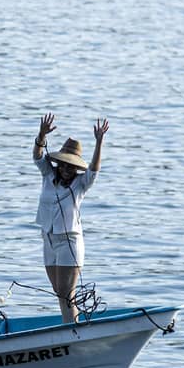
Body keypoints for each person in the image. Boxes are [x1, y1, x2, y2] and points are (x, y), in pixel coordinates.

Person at [34, 113, 108, 324]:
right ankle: (70, 324)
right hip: (48, 238)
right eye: (64, 165)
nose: (66, 169)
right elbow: (38, 156)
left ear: (76, 168)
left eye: (71, 166)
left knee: (67, 293)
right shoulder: (48, 176)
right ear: (59, 164)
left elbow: (94, 169)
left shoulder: (80, 184)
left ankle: (71, 329)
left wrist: (99, 142)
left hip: (69, 240)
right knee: (59, 291)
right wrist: (41, 134)